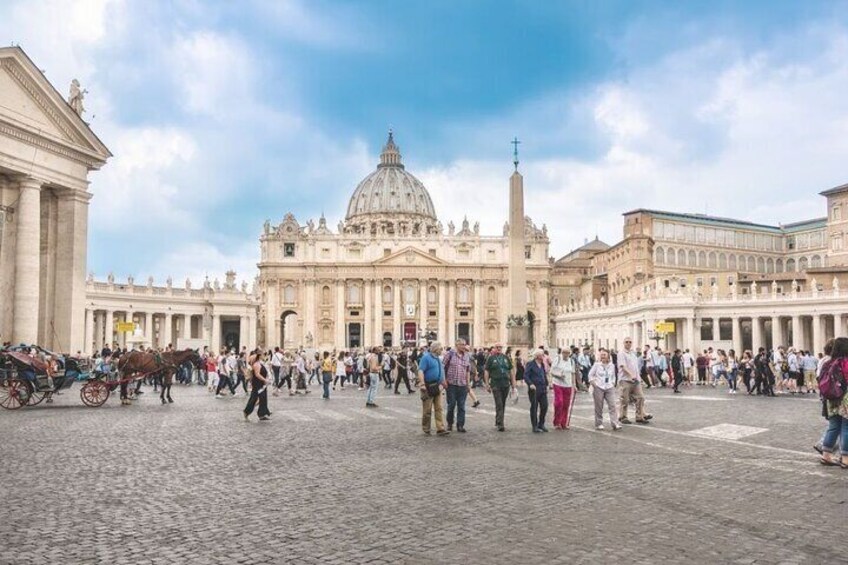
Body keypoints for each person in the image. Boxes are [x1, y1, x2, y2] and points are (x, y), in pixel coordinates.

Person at [819, 337, 848, 468]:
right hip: (845, 397)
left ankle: (826, 456)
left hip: (831, 399)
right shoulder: (845, 362)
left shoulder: (828, 362)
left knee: (834, 426)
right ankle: (846, 459)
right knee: (846, 427)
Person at [617, 337, 652, 425]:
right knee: (624, 399)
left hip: (636, 380)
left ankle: (640, 416)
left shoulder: (633, 354)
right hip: (625, 379)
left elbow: (636, 366)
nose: (628, 343)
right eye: (626, 342)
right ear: (623, 343)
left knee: (640, 397)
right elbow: (623, 366)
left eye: (630, 342)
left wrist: (637, 376)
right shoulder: (621, 353)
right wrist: (630, 374)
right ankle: (623, 417)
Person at [417, 342, 449, 436]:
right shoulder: (426, 358)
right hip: (428, 386)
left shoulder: (438, 359)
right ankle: (426, 428)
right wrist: (422, 383)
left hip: (438, 386)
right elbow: (421, 370)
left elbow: (440, 371)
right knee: (427, 409)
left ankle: (440, 428)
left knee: (439, 408)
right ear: (435, 349)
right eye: (440, 348)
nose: (442, 350)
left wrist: (443, 381)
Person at [484, 343, 516, 432]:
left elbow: (511, 370)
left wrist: (513, 383)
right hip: (495, 384)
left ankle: (498, 420)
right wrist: (487, 384)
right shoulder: (490, 358)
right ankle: (501, 424)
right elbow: (486, 371)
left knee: (503, 403)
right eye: (497, 347)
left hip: (505, 384)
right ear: (494, 348)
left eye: (500, 347)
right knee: (499, 403)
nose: (498, 349)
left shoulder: (506, 358)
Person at [588, 348, 621, 431]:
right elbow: (590, 375)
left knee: (612, 405)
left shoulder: (612, 365)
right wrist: (593, 383)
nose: (602, 356)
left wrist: (613, 383)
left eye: (604, 355)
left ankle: (615, 423)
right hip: (599, 387)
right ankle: (599, 423)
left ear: (608, 356)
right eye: (601, 355)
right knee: (599, 406)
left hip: (609, 387)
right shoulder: (597, 365)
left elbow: (613, 376)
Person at [444, 339, 472, 433]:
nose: (464, 346)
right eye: (462, 345)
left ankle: (460, 425)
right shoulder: (450, 354)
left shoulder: (467, 356)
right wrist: (444, 380)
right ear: (457, 345)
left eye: (465, 344)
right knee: (451, 405)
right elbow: (443, 367)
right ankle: (449, 423)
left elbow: (468, 371)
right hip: (451, 384)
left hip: (462, 384)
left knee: (462, 406)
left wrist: (468, 384)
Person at [523, 349, 549, 433]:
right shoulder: (530, 364)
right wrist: (530, 384)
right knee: (534, 407)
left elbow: (544, 375)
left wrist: (547, 384)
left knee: (545, 406)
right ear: (537, 356)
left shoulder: (542, 364)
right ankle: (534, 425)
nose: (543, 357)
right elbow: (526, 375)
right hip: (534, 389)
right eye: (542, 355)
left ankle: (541, 423)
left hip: (542, 388)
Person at [550, 348, 576, 430]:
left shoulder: (571, 361)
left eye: (568, 353)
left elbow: (573, 373)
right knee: (559, 402)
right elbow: (551, 371)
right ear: (562, 353)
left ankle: (563, 423)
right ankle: (557, 422)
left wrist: (574, 385)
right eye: (564, 353)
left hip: (568, 385)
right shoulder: (557, 359)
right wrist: (558, 375)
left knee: (566, 404)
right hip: (558, 383)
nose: (566, 355)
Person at [243, 350, 271, 421]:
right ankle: (246, 412)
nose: (264, 356)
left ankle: (262, 414)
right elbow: (257, 374)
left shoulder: (260, 363)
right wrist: (265, 380)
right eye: (263, 355)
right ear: (260, 356)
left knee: (263, 398)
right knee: (254, 398)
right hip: (257, 384)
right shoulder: (256, 364)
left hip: (262, 384)